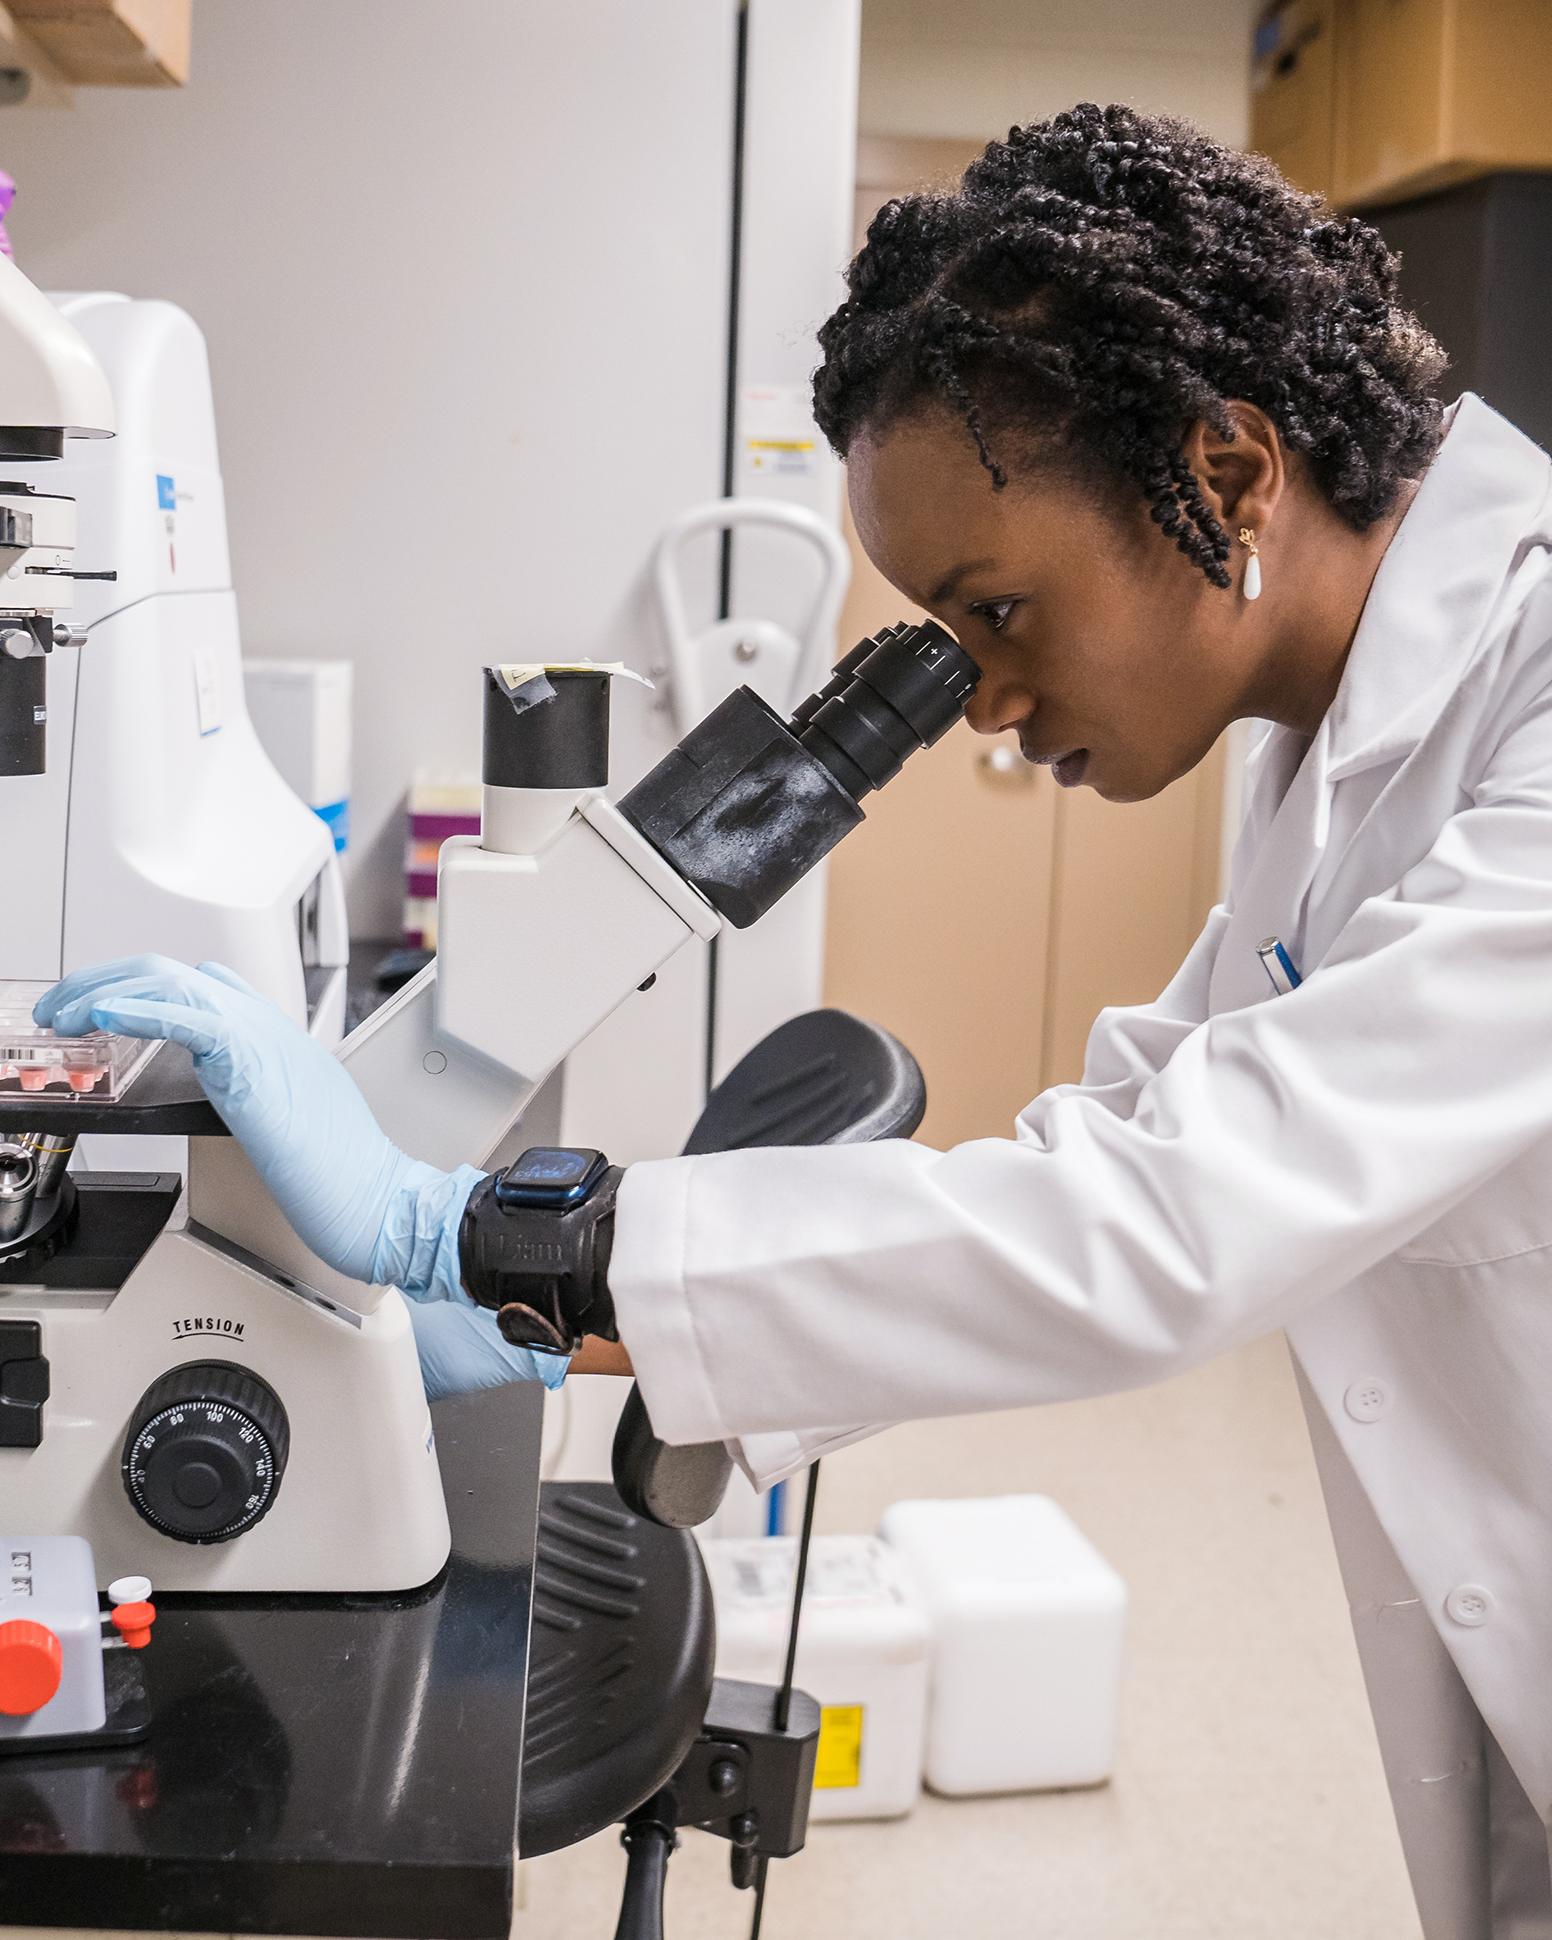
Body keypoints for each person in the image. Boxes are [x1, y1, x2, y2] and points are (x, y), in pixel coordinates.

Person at [39, 103, 1552, 1935]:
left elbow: (1163, 1223)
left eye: (994, 608)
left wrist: (492, 1242)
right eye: (932, 637)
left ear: (1227, 473)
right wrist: (566, 1329)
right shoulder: (1339, 742)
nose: (976, 695)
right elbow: (1132, 1130)